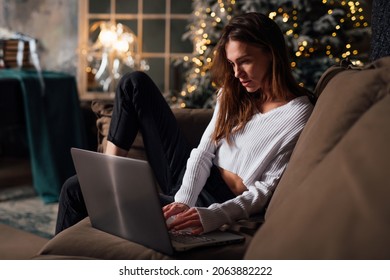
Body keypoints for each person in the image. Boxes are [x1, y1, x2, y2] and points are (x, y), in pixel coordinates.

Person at [55, 12, 314, 236]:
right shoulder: (233, 93)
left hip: (217, 199)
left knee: (75, 189)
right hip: (189, 177)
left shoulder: (297, 114)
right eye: (233, 64)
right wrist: (183, 201)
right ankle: (109, 171)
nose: (237, 74)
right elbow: (203, 152)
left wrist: (209, 215)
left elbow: (264, 190)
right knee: (134, 83)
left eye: (245, 61)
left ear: (272, 54)